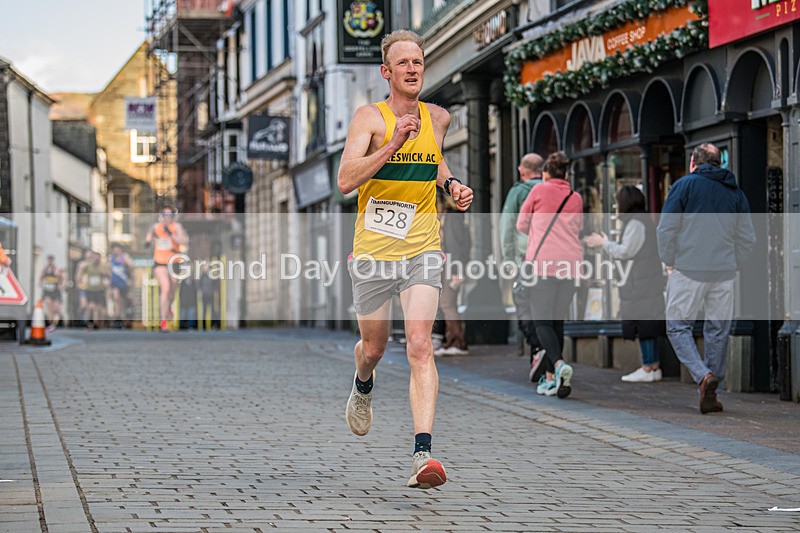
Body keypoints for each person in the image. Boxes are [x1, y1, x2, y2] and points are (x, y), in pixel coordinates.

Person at [337, 29, 473, 490]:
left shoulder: (438, 117)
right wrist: (392, 144)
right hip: (375, 251)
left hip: (421, 246)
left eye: (418, 61)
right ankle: (363, 381)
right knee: (374, 347)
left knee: (419, 344)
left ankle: (422, 454)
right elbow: (345, 179)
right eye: (404, 63)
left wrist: (452, 185)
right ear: (387, 72)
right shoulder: (368, 119)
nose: (413, 68)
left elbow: (435, 161)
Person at [657, 143, 755, 414]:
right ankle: (711, 389)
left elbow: (666, 229)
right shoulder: (734, 191)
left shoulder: (684, 186)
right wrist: (734, 263)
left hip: (688, 269)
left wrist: (670, 261)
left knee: (677, 326)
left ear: (693, 162)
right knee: (718, 329)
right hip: (724, 272)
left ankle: (703, 376)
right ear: (718, 162)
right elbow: (748, 237)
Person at [516, 151, 583, 398]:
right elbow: (578, 227)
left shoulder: (538, 191)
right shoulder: (575, 197)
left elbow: (521, 224)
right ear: (565, 174)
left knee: (542, 321)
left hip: (543, 264)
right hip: (571, 265)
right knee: (557, 321)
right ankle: (552, 379)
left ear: (545, 174)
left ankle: (558, 365)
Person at [584, 186, 666, 382]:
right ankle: (653, 366)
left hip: (639, 282)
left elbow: (626, 251)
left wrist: (603, 243)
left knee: (644, 323)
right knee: (648, 322)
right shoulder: (643, 220)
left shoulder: (636, 222)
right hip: (645, 280)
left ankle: (648, 367)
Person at [500, 153, 546, 381]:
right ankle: (550, 357)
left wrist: (507, 260)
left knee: (523, 303)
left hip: (525, 260)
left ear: (522, 170)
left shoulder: (518, 192)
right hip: (554, 260)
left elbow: (507, 227)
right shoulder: (554, 189)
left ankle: (538, 349)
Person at [434, 189, 470, 356]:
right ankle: (451, 341)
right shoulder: (446, 217)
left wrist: (456, 270)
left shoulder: (451, 217)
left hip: (450, 265)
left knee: (448, 304)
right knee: (445, 304)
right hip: (445, 265)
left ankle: (457, 342)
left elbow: (457, 245)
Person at [145, 206, 188, 332]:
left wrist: (171, 235)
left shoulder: (176, 227)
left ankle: (168, 306)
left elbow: (183, 241)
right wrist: (148, 241)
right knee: (166, 288)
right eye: (164, 215)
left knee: (172, 290)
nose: (166, 217)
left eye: (169, 215)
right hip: (160, 263)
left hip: (174, 262)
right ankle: (163, 320)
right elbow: (149, 234)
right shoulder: (156, 227)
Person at [79, 251, 109, 328]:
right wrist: (80, 281)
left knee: (98, 307)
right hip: (90, 289)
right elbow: (80, 272)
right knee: (91, 306)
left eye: (98, 258)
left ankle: (97, 323)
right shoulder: (88, 266)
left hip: (99, 289)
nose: (96, 259)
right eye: (95, 257)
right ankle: (89, 322)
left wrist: (105, 274)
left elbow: (108, 276)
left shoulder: (102, 266)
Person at [39, 255, 65, 332]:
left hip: (56, 291)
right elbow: (40, 279)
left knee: (56, 308)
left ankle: (54, 323)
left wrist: (61, 285)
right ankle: (50, 324)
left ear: (53, 260)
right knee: (49, 308)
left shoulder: (57, 269)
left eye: (51, 260)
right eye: (49, 260)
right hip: (47, 291)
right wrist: (41, 284)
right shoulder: (45, 270)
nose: (50, 261)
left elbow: (63, 279)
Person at [109, 244, 133, 326]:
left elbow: (131, 266)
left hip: (123, 282)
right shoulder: (110, 258)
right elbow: (107, 269)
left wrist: (125, 263)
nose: (116, 251)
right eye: (114, 250)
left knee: (123, 300)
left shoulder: (124, 257)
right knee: (116, 298)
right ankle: (117, 316)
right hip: (114, 282)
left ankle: (122, 316)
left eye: (117, 249)